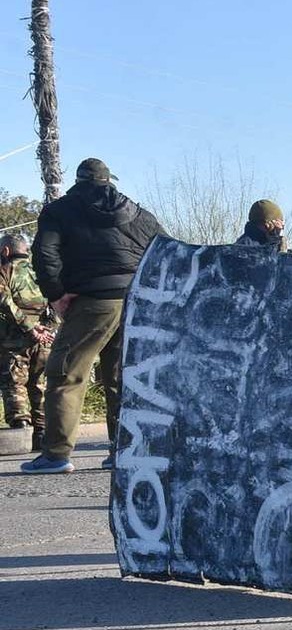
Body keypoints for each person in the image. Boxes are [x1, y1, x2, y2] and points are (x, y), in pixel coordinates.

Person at [23, 159, 165, 473]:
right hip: (135, 301)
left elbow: (45, 253)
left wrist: (55, 292)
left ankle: (56, 454)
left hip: (92, 300)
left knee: (66, 372)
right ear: (108, 181)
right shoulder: (140, 215)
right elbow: (165, 252)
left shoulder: (60, 211)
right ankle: (121, 451)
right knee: (121, 376)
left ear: (78, 180)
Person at [0, 232, 52, 446]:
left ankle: (21, 430)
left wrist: (29, 328)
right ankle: (42, 432)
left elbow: (4, 301)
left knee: (14, 384)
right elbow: (56, 302)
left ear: (5, 251)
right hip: (44, 337)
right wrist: (47, 330)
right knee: (39, 383)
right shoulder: (40, 271)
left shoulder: (5, 270)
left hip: (15, 339)